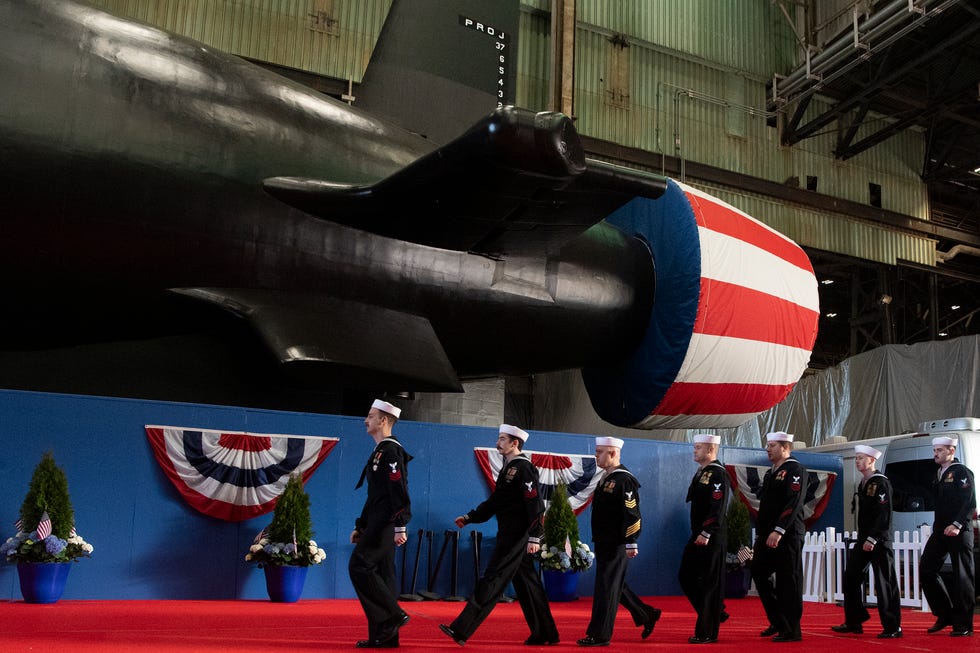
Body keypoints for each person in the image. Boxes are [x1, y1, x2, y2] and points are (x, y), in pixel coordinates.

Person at [439, 424, 560, 646]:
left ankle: (461, 629)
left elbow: (535, 503)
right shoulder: (509, 468)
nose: (498, 443)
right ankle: (546, 634)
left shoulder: (523, 468)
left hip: (517, 536)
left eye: (503, 439)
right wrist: (469, 517)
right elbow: (496, 502)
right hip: (509, 534)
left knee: (493, 578)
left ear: (515, 443)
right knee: (528, 585)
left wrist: (535, 536)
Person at [577, 436, 661, 647]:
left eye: (600, 452)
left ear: (612, 453)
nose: (596, 455)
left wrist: (631, 541)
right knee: (614, 584)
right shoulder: (607, 477)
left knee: (606, 587)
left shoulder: (624, 480)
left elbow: (632, 514)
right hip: (605, 541)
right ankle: (646, 614)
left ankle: (599, 634)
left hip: (617, 542)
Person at [349, 399, 413, 649]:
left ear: (383, 420)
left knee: (359, 565)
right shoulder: (380, 451)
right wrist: (362, 525)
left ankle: (393, 614)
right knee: (384, 574)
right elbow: (375, 494)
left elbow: (398, 490)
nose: (366, 420)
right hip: (378, 519)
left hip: (387, 521)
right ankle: (384, 637)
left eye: (371, 416)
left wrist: (400, 524)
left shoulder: (390, 451)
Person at [830, 445, 902, 638]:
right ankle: (855, 620)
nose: (857, 461)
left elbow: (883, 514)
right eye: (856, 458)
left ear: (872, 460)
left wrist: (872, 538)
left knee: (884, 582)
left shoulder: (880, 483)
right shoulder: (864, 482)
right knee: (851, 576)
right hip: (864, 538)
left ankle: (893, 626)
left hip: (878, 539)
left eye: (861, 458)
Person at [751, 431, 808, 643]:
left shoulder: (795, 470)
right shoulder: (771, 472)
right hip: (767, 534)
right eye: (767, 445)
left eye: (772, 445)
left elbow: (793, 502)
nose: (768, 449)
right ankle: (777, 620)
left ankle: (792, 629)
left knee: (789, 581)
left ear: (785, 447)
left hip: (787, 534)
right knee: (758, 571)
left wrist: (779, 530)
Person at [919, 436, 975, 637]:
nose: (936, 454)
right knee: (926, 568)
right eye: (935, 450)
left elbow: (969, 502)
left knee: (962, 576)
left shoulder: (961, 471)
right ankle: (945, 615)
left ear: (951, 451)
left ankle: (964, 625)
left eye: (940, 450)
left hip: (959, 530)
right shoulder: (939, 473)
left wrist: (957, 524)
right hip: (941, 529)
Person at [679, 433, 729, 644]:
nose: (694, 450)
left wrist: (706, 532)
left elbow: (717, 506)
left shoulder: (717, 474)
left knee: (709, 582)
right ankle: (715, 611)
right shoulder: (702, 472)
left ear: (710, 450)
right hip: (698, 533)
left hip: (711, 534)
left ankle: (706, 631)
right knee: (686, 576)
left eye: (698, 447)